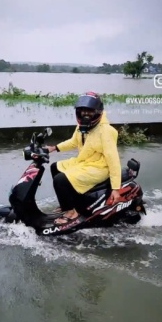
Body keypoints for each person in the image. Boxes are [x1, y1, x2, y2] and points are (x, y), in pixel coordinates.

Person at [46, 92, 123, 225]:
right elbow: (73, 142)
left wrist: (116, 189)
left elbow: (113, 160)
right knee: (55, 167)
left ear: (98, 112)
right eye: (83, 111)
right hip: (85, 163)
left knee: (61, 180)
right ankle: (68, 205)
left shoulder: (106, 131)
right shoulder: (83, 127)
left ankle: (71, 213)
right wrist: (54, 148)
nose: (86, 114)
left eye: (90, 112)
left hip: (100, 167)